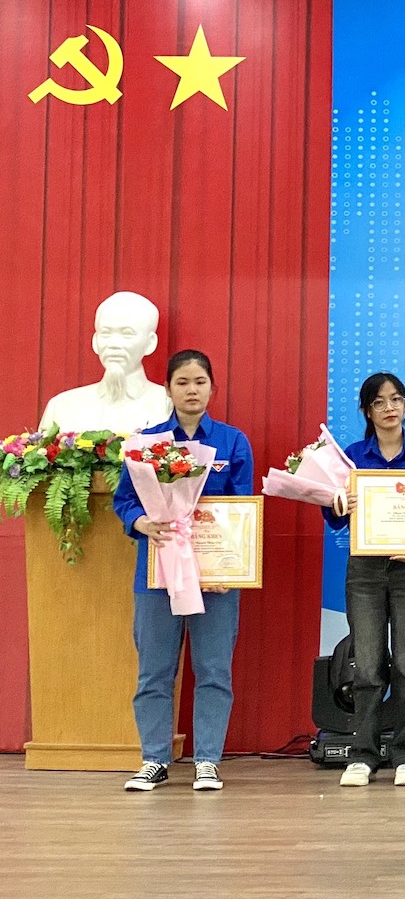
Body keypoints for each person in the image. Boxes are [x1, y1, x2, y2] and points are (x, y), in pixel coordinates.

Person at [113, 349, 253, 792]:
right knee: (154, 670)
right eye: (182, 382)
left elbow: (243, 509)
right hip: (157, 572)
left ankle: (207, 760)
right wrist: (141, 522)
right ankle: (154, 759)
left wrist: (230, 565)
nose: (192, 390)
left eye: (200, 382)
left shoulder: (233, 442)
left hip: (215, 575)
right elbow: (124, 500)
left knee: (213, 669)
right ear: (168, 388)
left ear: (212, 387)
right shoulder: (146, 443)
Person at [325, 373, 405, 789]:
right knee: (367, 666)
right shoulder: (351, 458)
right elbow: (335, 517)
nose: (390, 408)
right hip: (366, 572)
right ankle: (363, 754)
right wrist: (339, 502)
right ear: (367, 410)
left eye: (397, 399)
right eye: (380, 402)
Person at [40, 290, 171, 433]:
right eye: (106, 333)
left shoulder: (169, 405)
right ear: (95, 341)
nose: (114, 344)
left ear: (150, 343)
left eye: (127, 334)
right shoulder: (62, 407)